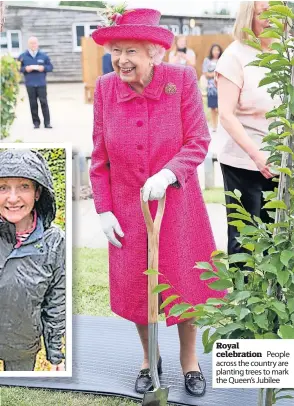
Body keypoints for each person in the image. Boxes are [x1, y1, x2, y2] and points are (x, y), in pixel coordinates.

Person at [90, 8, 225, 397]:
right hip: (128, 208)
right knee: (137, 286)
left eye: (132, 50)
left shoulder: (180, 80)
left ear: (155, 53)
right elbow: (100, 157)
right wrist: (103, 208)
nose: (122, 60)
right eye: (117, 50)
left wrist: (169, 173)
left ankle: (189, 361)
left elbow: (198, 140)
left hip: (177, 205)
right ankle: (149, 360)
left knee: (182, 282)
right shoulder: (105, 88)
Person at [215, 1, 277, 259]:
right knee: (246, 239)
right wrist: (257, 156)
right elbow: (226, 115)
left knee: (279, 234)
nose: (271, 19)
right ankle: (247, 296)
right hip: (244, 162)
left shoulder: (287, 54)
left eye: (277, 12)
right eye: (263, 13)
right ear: (249, 16)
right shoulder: (235, 56)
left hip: (281, 160)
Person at [0, 149, 65, 372]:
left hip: (22, 345)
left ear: (38, 192)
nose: (12, 198)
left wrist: (55, 353)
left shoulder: (54, 242)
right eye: (3, 187)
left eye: (24, 187)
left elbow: (56, 301)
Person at [18, 37, 53, 129]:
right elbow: (18, 68)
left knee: (44, 102)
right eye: (31, 43)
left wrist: (44, 68)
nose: (33, 45)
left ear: (37, 44)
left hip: (41, 83)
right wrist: (25, 69)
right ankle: (36, 123)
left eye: (34, 43)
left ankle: (47, 123)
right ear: (28, 44)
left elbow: (50, 67)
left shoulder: (44, 56)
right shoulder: (22, 56)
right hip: (30, 83)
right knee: (33, 103)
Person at [202, 44, 223, 132]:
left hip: (222, 87)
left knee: (222, 108)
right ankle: (214, 125)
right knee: (213, 107)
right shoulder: (207, 60)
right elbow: (205, 73)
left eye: (218, 50)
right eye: (214, 50)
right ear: (211, 51)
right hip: (211, 88)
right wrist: (214, 75)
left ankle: (222, 126)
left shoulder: (223, 59)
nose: (216, 52)